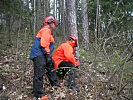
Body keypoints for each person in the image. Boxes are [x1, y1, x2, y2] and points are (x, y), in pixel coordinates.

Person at [30, 16, 58, 100]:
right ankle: (38, 95)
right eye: (54, 24)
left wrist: (48, 56)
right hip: (39, 54)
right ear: (50, 23)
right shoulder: (46, 30)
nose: (55, 26)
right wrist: (48, 54)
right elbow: (43, 44)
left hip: (43, 54)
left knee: (50, 68)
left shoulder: (48, 31)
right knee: (39, 74)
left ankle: (55, 85)